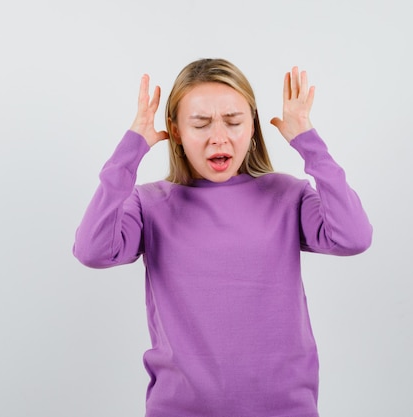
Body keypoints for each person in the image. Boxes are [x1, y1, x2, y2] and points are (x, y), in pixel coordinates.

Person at [73, 58, 372, 417]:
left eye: (234, 122)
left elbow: (354, 236)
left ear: (252, 126)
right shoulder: (149, 203)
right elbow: (92, 250)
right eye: (200, 124)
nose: (220, 137)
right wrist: (131, 148)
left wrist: (309, 144)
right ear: (176, 130)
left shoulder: (286, 195)